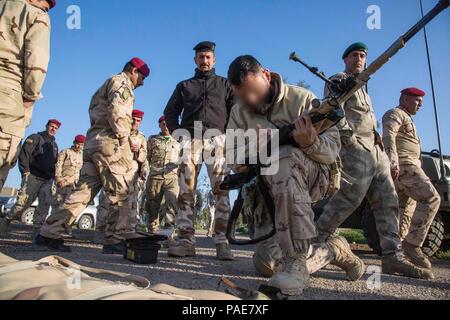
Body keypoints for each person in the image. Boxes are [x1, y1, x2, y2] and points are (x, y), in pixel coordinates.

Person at [226, 55, 364, 296]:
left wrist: (311, 142)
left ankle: (295, 260)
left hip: (311, 177)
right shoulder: (239, 112)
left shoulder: (302, 99)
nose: (250, 99)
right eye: (242, 94)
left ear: (266, 76)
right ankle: (330, 251)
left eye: (254, 91)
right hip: (266, 193)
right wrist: (256, 148)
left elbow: (332, 150)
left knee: (284, 157)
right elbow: (231, 157)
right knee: (265, 265)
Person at [314, 43, 433, 279]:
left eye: (363, 56)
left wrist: (382, 151)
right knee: (349, 198)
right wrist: (349, 141)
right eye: (355, 55)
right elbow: (333, 110)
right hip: (356, 149)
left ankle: (392, 256)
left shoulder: (363, 88)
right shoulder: (340, 80)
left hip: (375, 151)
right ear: (345, 59)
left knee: (388, 201)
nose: (359, 59)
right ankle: (316, 241)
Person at [35, 57, 150, 253]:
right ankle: (114, 240)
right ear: (133, 71)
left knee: (81, 194)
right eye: (142, 76)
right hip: (110, 145)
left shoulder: (106, 83)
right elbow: (118, 112)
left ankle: (49, 233)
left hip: (93, 144)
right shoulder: (122, 83)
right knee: (121, 192)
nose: (143, 82)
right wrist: (125, 140)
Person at [164, 41, 235, 260]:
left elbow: (236, 114)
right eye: (200, 57)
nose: (204, 61)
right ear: (195, 60)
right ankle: (186, 241)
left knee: (222, 191)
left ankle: (222, 242)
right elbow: (169, 113)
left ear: (214, 60)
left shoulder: (226, 85)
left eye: (208, 57)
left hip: (218, 141)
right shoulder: (184, 86)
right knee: (186, 192)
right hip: (190, 141)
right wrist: (179, 135)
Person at [0, 0, 56, 190]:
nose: (45, 10)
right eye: (46, 6)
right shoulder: (36, 14)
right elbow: (36, 62)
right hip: (7, 93)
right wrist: (29, 97)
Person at [382, 87, 440, 269]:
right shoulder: (395, 113)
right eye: (417, 101)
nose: (420, 105)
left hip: (406, 167)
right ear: (405, 98)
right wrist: (393, 160)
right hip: (405, 165)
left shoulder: (408, 119)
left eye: (421, 102)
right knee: (431, 198)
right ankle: (413, 244)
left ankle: (396, 257)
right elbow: (388, 134)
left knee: (403, 212)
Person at [0, 119, 60, 238]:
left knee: (44, 206)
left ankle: (37, 234)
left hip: (47, 180)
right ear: (47, 126)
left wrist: (53, 178)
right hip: (33, 177)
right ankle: (6, 222)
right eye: (51, 126)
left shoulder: (54, 145)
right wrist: (25, 172)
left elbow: (54, 163)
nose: (53, 129)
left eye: (56, 128)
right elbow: (24, 155)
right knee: (23, 204)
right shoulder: (35, 137)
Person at [144, 116, 180, 234]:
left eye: (168, 124)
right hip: (155, 177)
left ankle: (169, 234)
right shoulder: (152, 140)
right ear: (159, 125)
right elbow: (146, 158)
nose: (166, 126)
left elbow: (183, 159)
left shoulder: (178, 141)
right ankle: (152, 232)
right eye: (163, 124)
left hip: (172, 178)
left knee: (172, 203)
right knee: (153, 206)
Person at [54, 135, 85, 206]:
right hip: (63, 184)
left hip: (75, 186)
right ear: (74, 142)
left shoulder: (83, 155)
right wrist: (59, 179)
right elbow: (58, 165)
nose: (79, 146)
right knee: (58, 207)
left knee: (70, 208)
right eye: (78, 144)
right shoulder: (65, 152)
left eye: (81, 145)